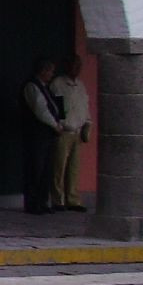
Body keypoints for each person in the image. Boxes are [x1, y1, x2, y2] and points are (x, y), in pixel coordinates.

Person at [21, 56, 67, 215]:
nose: (52, 74)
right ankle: (33, 203)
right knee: (36, 168)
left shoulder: (45, 88)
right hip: (37, 134)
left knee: (46, 169)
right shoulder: (32, 87)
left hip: (48, 134)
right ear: (43, 71)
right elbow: (41, 111)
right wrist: (55, 125)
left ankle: (42, 201)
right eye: (50, 71)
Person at [49, 54, 91, 212]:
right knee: (59, 167)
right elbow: (57, 108)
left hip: (78, 132)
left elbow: (85, 106)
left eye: (79, 65)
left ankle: (73, 199)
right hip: (64, 131)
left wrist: (88, 123)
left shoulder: (80, 85)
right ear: (66, 66)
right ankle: (57, 199)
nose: (77, 68)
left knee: (74, 168)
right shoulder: (58, 84)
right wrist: (60, 124)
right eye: (74, 65)